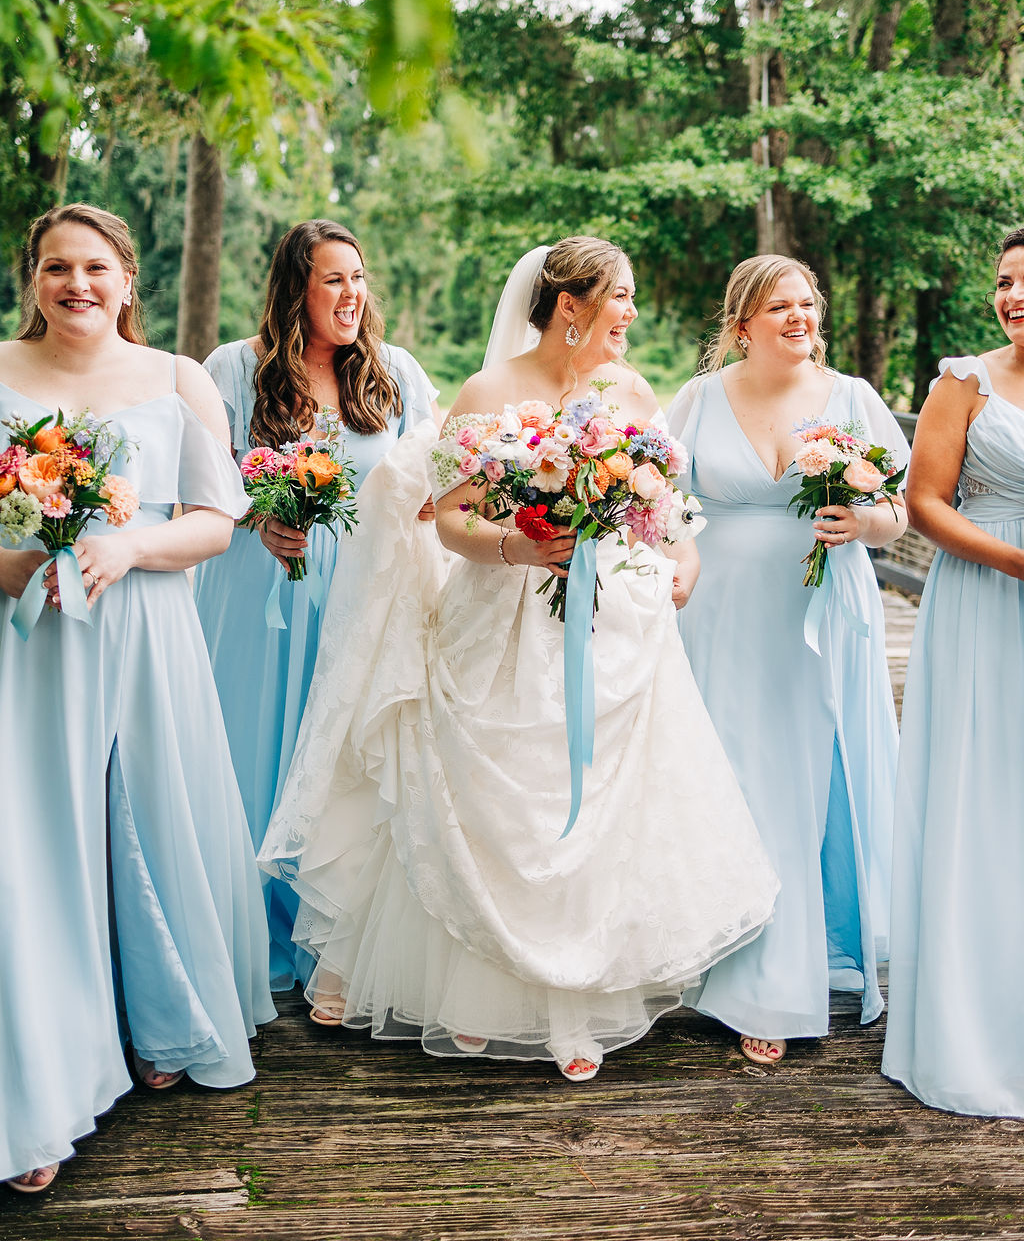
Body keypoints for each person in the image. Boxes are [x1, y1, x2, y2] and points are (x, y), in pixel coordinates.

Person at [261, 236, 779, 1083]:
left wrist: (685, 557)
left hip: (613, 619)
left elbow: (667, 504)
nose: (633, 315)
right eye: (622, 297)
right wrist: (520, 548)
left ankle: (576, 995)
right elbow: (453, 520)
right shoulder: (487, 391)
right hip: (502, 614)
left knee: (601, 807)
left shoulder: (630, 389)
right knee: (495, 800)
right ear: (569, 304)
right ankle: (473, 996)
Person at [0, 203, 274, 1198]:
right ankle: (44, 1068)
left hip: (146, 630)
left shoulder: (175, 379)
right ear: (32, 278)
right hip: (27, 642)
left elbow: (215, 521)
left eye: (95, 268)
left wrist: (124, 545)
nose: (76, 284)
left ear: (127, 280)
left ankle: (157, 1015)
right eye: (55, 267)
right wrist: (32, 558)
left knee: (141, 824)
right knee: (37, 845)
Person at [667, 254, 909, 1067]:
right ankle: (732, 974)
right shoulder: (699, 400)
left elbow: (898, 513)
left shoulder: (853, 400)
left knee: (803, 784)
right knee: (733, 781)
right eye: (779, 307)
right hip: (720, 618)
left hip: (820, 614)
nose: (799, 317)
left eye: (807, 303)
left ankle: (786, 976)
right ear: (741, 326)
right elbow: (657, 500)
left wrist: (865, 524)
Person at [193, 220, 439, 995]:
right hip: (257, 585)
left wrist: (430, 503)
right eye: (334, 279)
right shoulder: (234, 369)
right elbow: (200, 484)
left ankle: (327, 944)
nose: (352, 294)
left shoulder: (392, 372)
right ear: (295, 287)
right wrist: (255, 514)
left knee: (340, 756)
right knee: (251, 749)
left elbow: (437, 466)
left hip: (359, 597)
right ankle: (242, 937)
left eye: (359, 277)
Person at [883, 229, 1024, 1117]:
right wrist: (1016, 564)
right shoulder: (963, 382)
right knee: (984, 796)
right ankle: (973, 1028)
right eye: (1007, 281)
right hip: (984, 600)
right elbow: (923, 503)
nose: (1013, 296)